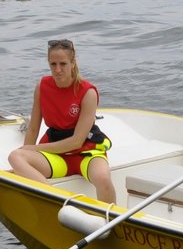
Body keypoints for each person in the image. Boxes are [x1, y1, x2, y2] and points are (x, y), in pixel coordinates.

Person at [7, 38, 114, 204]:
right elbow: (34, 128)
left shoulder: (88, 92)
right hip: (57, 156)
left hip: (86, 152)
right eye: (53, 64)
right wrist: (25, 160)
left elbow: (77, 141)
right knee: (15, 157)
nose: (57, 70)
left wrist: (34, 148)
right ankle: (59, 200)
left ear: (73, 63)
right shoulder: (42, 87)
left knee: (103, 179)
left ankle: (111, 224)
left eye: (63, 64)